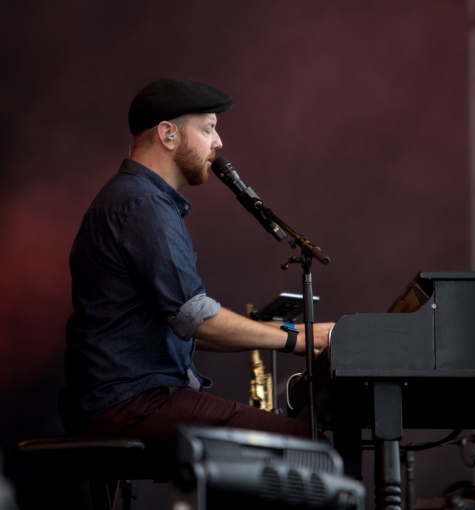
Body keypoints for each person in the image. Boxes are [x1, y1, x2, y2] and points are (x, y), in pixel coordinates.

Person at [58, 77, 333, 447]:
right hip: (130, 402)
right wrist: (296, 338)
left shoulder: (138, 199)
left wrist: (281, 336)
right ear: (168, 135)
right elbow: (196, 316)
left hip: (121, 398)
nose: (218, 143)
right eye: (207, 129)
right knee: (309, 445)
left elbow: (182, 326)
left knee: (291, 443)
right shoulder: (143, 204)